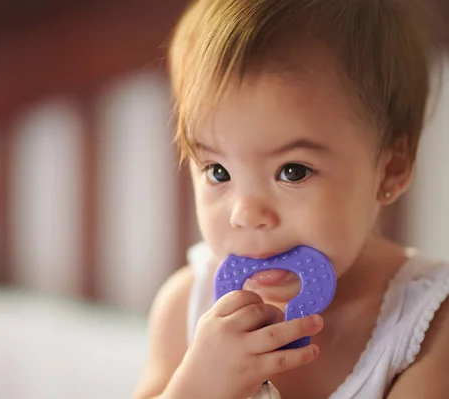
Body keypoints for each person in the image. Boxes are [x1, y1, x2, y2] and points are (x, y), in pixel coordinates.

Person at [132, 0, 449, 398]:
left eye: (292, 171)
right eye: (218, 172)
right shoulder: (185, 308)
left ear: (390, 168)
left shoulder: (431, 329)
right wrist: (195, 389)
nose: (246, 214)